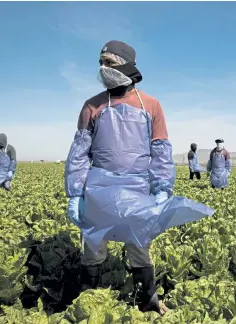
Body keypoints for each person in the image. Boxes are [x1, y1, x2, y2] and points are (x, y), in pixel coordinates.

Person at [64, 40, 214, 315]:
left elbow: (160, 150)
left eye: (109, 62)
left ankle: (148, 301)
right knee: (93, 246)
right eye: (100, 62)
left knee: (139, 245)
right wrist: (75, 193)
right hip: (99, 188)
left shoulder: (151, 105)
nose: (102, 68)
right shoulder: (92, 106)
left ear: (126, 64)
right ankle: (88, 303)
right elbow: (79, 152)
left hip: (137, 188)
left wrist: (161, 188)